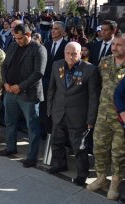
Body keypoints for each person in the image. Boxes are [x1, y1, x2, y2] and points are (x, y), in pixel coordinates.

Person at [46, 42, 100, 186]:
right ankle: (59, 164)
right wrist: (50, 109)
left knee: (79, 148)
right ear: (64, 53)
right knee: (56, 142)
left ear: (80, 54)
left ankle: (82, 174)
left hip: (78, 117)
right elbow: (51, 88)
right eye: (68, 53)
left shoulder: (90, 70)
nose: (71, 56)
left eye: (74, 53)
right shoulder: (57, 65)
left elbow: (94, 97)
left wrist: (90, 119)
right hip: (58, 113)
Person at [0, 24, 47, 168]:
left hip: (28, 94)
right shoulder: (13, 46)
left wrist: (20, 86)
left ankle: (32, 156)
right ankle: (11, 147)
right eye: (16, 38)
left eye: (20, 38)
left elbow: (38, 73)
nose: (18, 41)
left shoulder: (38, 49)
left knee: (31, 126)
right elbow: (4, 66)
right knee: (10, 121)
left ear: (28, 35)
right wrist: (6, 83)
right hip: (10, 91)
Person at [87, 33, 125, 200]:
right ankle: (101, 178)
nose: (114, 47)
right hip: (103, 114)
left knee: (119, 152)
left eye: (119, 45)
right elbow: (95, 87)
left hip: (121, 119)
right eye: (113, 44)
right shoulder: (105, 61)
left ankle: (116, 181)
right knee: (99, 148)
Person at [42, 21, 68, 137]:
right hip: (46, 82)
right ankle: (44, 130)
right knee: (45, 107)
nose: (53, 31)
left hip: (60, 84)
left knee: (56, 109)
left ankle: (57, 133)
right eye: (52, 28)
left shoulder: (67, 46)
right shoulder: (46, 45)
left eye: (56, 29)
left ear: (62, 32)